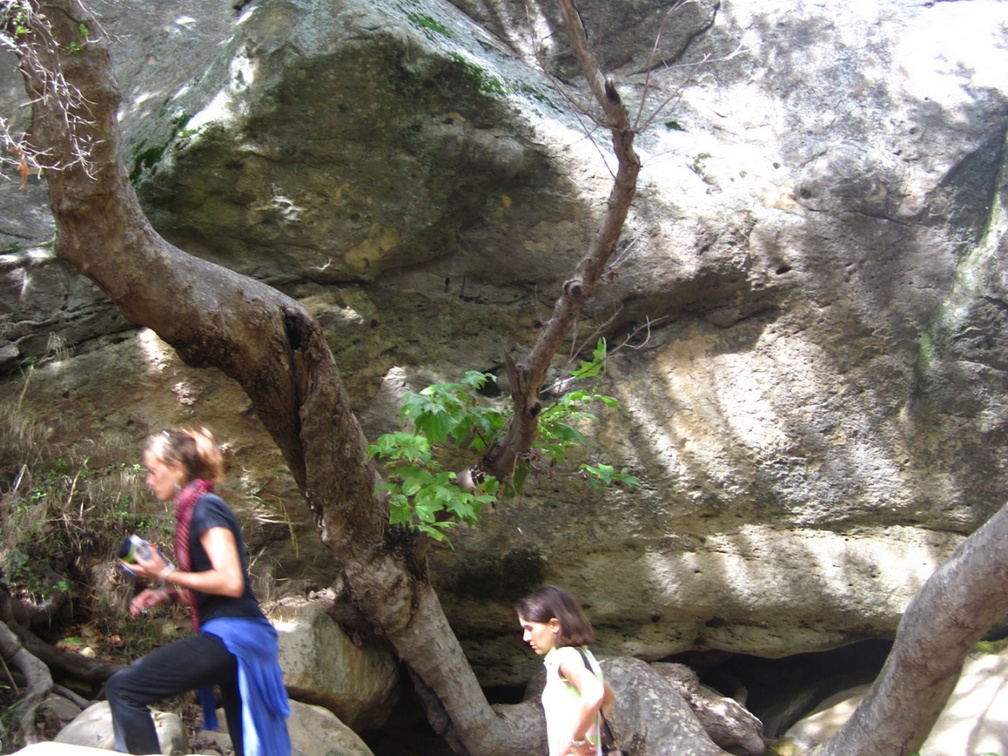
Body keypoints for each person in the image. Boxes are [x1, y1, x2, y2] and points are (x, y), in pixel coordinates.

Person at [106, 426, 290, 756]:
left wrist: (166, 573)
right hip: (235, 636)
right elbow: (212, 589)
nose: (148, 480)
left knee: (124, 688)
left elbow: (230, 581)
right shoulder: (193, 510)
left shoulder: (206, 507)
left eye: (152, 471)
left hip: (236, 637)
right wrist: (166, 594)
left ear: (177, 469)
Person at [517, 585, 616, 756]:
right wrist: (587, 733)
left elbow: (594, 693)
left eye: (530, 628)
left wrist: (576, 740)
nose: (525, 637)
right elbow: (608, 699)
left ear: (554, 625)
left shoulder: (563, 659)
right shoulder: (583, 655)